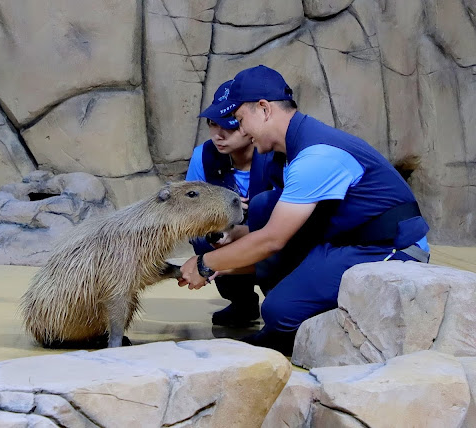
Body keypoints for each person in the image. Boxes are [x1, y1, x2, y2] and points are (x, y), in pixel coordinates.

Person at [178, 65, 431, 356]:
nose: (242, 130)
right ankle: (292, 304)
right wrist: (226, 251)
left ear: (263, 109)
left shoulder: (315, 155)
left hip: (389, 247)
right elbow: (274, 231)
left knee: (279, 311)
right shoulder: (288, 151)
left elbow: (272, 240)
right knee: (264, 206)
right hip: (343, 239)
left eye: (239, 119)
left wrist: (206, 263)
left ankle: (288, 327)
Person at [186, 80, 285, 327]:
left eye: (228, 126)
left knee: (264, 207)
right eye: (212, 124)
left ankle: (280, 297)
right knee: (202, 238)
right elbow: (188, 211)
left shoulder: (277, 155)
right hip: (224, 236)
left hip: (272, 236)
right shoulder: (204, 156)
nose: (218, 135)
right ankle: (241, 302)